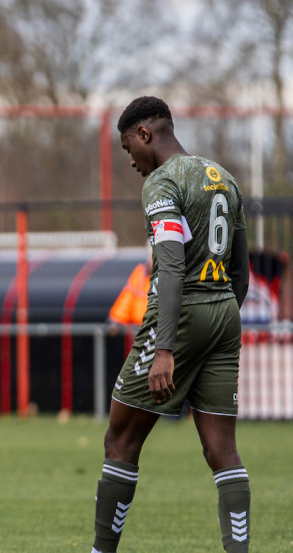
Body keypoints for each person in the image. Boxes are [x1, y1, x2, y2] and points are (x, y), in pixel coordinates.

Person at [91, 96, 250, 553]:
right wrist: (220, 321)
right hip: (225, 313)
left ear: (144, 134)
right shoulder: (224, 178)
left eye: (128, 149)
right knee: (223, 451)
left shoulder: (163, 183)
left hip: (180, 316)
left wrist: (166, 348)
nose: (132, 162)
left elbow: (172, 266)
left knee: (120, 439)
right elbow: (240, 270)